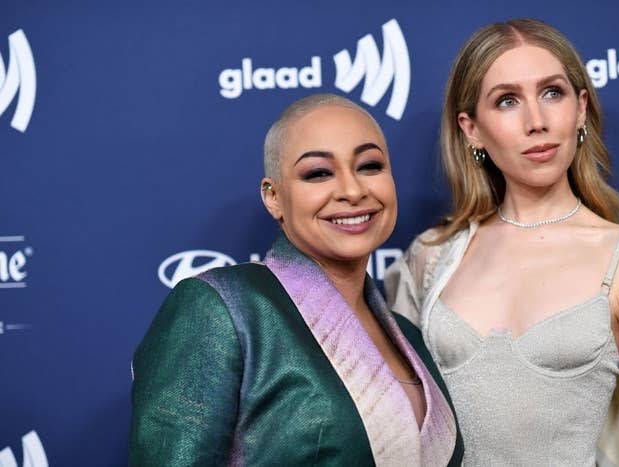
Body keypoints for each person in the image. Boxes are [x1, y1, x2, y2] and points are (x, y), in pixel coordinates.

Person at [385, 19, 619, 466]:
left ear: (580, 108)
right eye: (507, 101)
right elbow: (396, 430)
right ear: (471, 129)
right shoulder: (432, 255)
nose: (537, 122)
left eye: (553, 92)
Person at [129, 93, 463, 466]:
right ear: (273, 196)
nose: (353, 191)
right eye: (318, 173)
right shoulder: (225, 308)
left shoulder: (408, 336)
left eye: (369, 166)